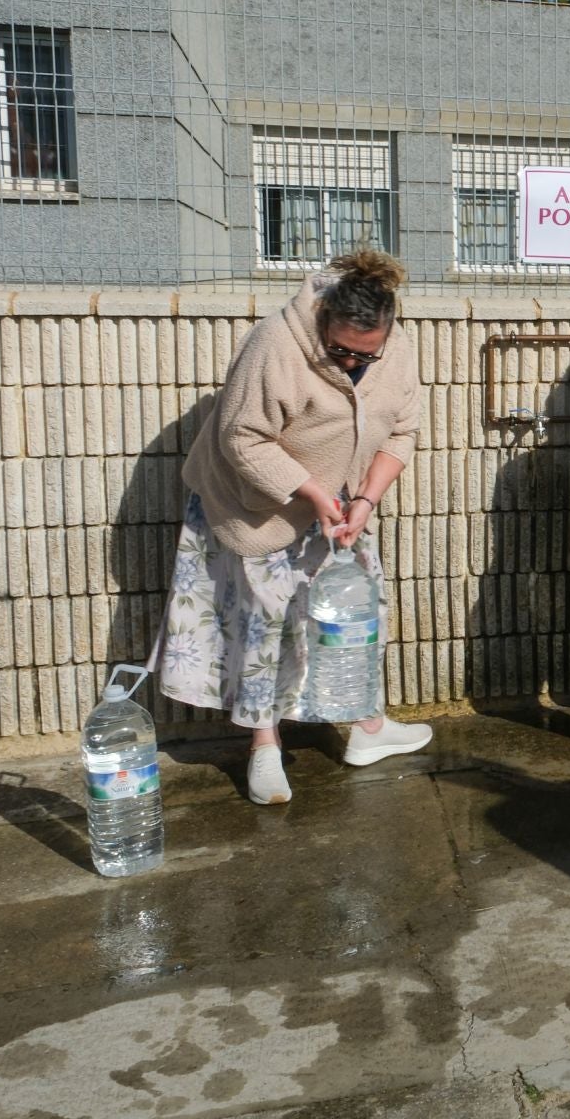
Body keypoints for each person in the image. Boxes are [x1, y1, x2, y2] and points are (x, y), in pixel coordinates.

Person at [159, 249, 430, 805]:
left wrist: (367, 499)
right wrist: (311, 491)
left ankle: (366, 727)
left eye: (366, 356)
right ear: (323, 320)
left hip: (341, 502)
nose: (354, 365)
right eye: (341, 353)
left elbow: (402, 431)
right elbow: (242, 438)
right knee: (268, 619)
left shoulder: (394, 348)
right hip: (258, 503)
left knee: (357, 613)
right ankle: (264, 745)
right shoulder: (276, 345)